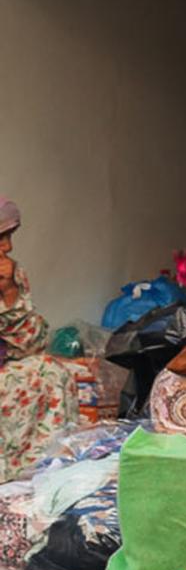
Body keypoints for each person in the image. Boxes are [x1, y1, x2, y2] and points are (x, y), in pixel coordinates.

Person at [0, 198, 81, 481]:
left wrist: (10, 296)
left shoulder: (11, 274)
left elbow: (33, 344)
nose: (7, 247)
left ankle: (41, 470)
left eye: (9, 236)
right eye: (0, 237)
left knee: (52, 372)